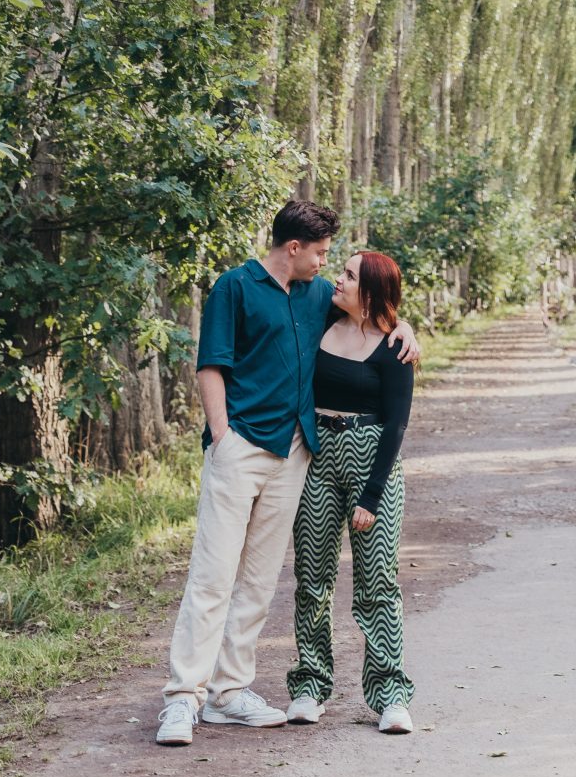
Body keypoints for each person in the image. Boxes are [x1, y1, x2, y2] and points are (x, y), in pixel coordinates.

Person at [155, 201, 417, 746]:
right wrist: (222, 436)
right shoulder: (235, 287)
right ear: (294, 248)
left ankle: (229, 693)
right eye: (321, 254)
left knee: (259, 581)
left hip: (296, 454)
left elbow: (374, 315)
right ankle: (183, 698)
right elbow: (211, 364)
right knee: (213, 576)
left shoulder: (317, 295)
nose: (327, 265)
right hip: (240, 448)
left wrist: (407, 327)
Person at [285, 247, 417, 736]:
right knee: (311, 578)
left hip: (371, 460)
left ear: (372, 291)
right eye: (340, 271)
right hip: (318, 455)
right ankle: (310, 685)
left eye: (349, 275)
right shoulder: (323, 320)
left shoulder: (394, 348)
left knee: (377, 583)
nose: (338, 280)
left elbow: (396, 425)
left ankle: (390, 696)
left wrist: (371, 496)